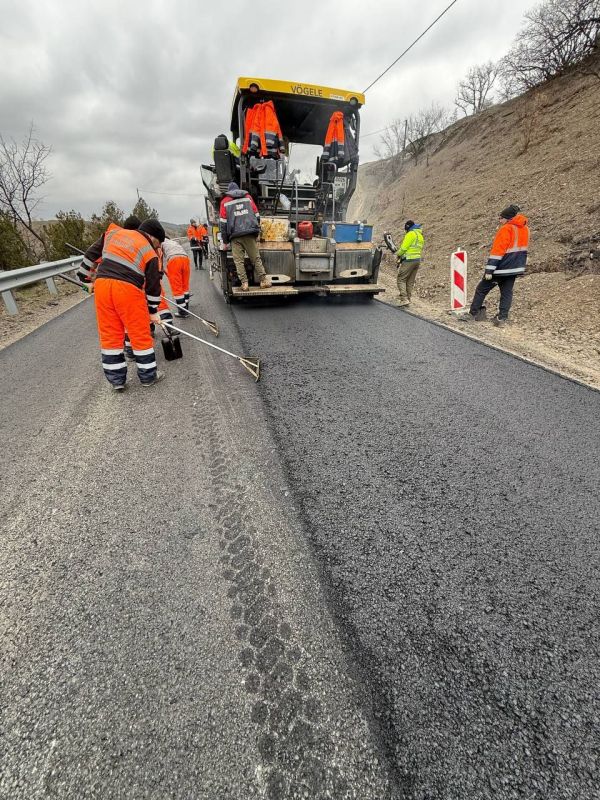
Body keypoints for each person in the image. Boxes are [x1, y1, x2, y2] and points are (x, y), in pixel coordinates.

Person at [90, 218, 166, 390]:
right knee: (139, 333)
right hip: (127, 289)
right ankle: (148, 376)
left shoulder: (114, 234)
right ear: (153, 237)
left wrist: (85, 279)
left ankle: (116, 381)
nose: (158, 247)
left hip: (102, 286)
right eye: (158, 243)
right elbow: (153, 286)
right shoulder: (149, 251)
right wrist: (153, 310)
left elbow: (92, 254)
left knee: (110, 334)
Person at [460, 204, 529, 327]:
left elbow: (498, 251)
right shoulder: (525, 229)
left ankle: (473, 314)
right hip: (515, 268)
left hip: (501, 268)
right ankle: (502, 319)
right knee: (506, 293)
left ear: (508, 218)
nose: (499, 220)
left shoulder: (506, 229)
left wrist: (489, 270)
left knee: (481, 289)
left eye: (501, 218)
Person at [219, 181, 270, 291]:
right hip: (249, 233)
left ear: (229, 191)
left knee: (239, 261)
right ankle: (263, 281)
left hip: (235, 236)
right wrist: (256, 231)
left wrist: (225, 241)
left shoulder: (225, 201)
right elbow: (257, 215)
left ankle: (245, 284)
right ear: (238, 189)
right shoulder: (248, 197)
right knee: (255, 258)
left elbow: (223, 224)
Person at [396, 220, 424, 307]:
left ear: (408, 228)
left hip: (409, 260)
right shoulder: (420, 235)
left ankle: (404, 299)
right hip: (417, 260)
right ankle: (408, 299)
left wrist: (398, 254)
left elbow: (404, 248)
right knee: (410, 281)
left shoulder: (410, 234)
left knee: (401, 279)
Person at [162, 236, 191, 318]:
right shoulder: (173, 242)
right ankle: (186, 307)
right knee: (185, 285)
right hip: (185, 259)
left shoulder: (160, 242)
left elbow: (159, 257)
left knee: (177, 288)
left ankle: (182, 312)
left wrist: (161, 269)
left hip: (174, 260)